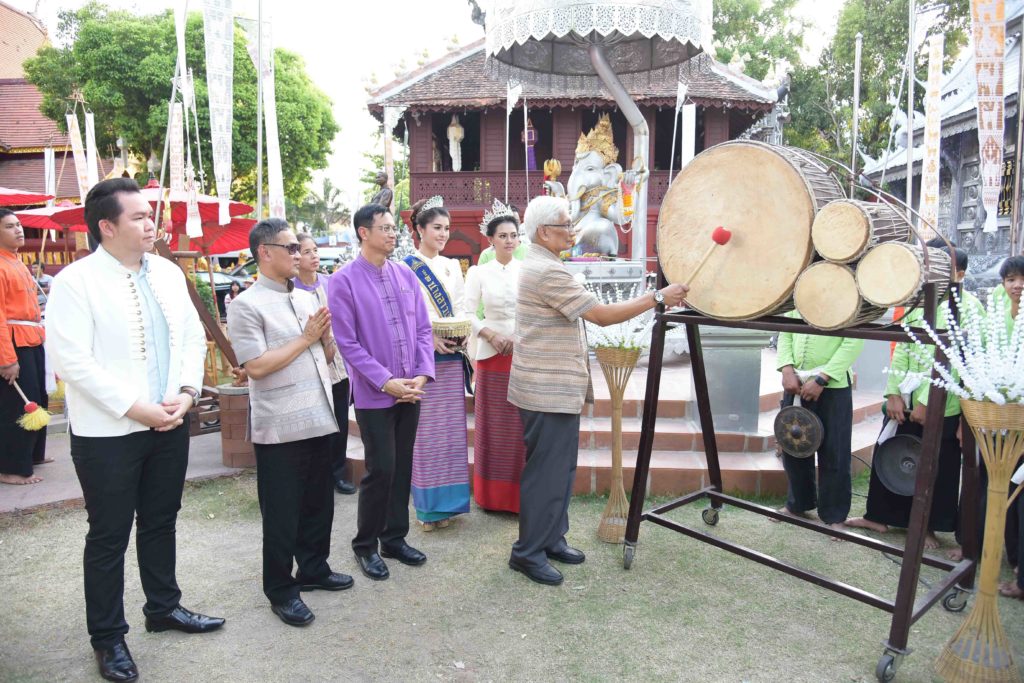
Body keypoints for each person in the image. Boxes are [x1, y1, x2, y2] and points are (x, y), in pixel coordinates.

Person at [46, 178, 224, 683]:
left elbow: (192, 337)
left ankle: (163, 607)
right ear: (107, 226)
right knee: (108, 535)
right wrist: (135, 408)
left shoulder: (167, 272)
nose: (152, 224)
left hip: (170, 419)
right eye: (140, 217)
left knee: (161, 519)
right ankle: (108, 638)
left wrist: (188, 394)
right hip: (107, 432)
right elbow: (72, 361)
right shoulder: (76, 282)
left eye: (152, 215)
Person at [507, 195, 688, 586]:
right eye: (564, 225)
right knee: (546, 473)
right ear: (543, 232)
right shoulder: (545, 270)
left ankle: (551, 538)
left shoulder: (547, 263)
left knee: (561, 470)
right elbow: (602, 316)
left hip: (553, 387)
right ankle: (527, 552)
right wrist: (658, 297)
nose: (572, 231)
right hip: (546, 389)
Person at [226, 218, 353, 627]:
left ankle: (314, 568)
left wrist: (327, 338)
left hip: (319, 414)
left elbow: (324, 357)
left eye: (300, 249)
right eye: (291, 249)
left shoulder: (303, 299)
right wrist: (306, 338)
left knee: (319, 503)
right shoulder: (246, 305)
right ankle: (281, 589)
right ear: (265, 252)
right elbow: (258, 367)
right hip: (279, 426)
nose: (298, 256)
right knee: (282, 512)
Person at [847, 246, 981, 550]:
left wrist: (926, 400)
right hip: (904, 398)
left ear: (959, 273)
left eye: (942, 266)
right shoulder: (918, 299)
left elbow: (956, 361)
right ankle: (878, 516)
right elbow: (903, 346)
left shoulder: (970, 308)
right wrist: (894, 393)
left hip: (942, 403)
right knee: (891, 454)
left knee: (939, 466)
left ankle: (929, 526)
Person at [329, 203, 434, 581]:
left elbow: (423, 329)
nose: (393, 234)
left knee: (403, 464)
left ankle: (395, 537)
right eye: (385, 228)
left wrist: (422, 375)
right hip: (377, 395)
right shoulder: (343, 281)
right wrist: (385, 381)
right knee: (381, 468)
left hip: (412, 390)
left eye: (394, 228)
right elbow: (348, 343)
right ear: (363, 232)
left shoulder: (405, 274)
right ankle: (365, 545)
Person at [404, 197, 471, 530]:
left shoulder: (450, 266)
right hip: (421, 357)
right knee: (426, 433)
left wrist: (463, 335)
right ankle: (427, 509)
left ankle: (449, 506)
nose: (443, 234)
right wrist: (429, 338)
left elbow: (458, 306)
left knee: (450, 432)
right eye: (436, 228)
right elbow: (405, 315)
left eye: (446, 228)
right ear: (419, 229)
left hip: (450, 355)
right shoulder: (405, 267)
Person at [774, 313, 864, 539]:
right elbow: (786, 332)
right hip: (796, 383)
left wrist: (823, 378)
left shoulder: (847, 299)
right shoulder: (799, 296)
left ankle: (834, 515)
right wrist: (786, 369)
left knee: (835, 451)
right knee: (793, 444)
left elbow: (854, 341)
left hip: (831, 387)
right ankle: (798, 504)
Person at [464, 203, 526, 512]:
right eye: (502, 235)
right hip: (490, 355)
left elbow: (533, 311)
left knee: (518, 427)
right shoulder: (478, 273)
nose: (509, 241)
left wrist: (517, 337)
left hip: (521, 353)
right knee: (492, 426)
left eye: (514, 235)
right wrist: (488, 333)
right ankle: (490, 496)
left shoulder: (527, 271)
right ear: (490, 240)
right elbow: (465, 311)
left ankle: (517, 497)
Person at [293, 233, 356, 495]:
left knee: (340, 420)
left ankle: (338, 474)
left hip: (338, 364)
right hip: (310, 364)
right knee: (316, 423)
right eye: (306, 252)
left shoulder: (331, 284)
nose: (313, 256)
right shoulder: (292, 291)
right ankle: (315, 477)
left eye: (315, 250)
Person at [0, 209, 48, 485]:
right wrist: (6, 358)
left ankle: (32, 455)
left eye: (19, 225)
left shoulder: (17, 262)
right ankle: (12, 468)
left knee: (37, 398)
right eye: (10, 226)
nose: (18, 230)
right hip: (13, 342)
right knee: (18, 405)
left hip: (32, 338)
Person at [995, 255, 1024, 600]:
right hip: (1006, 419)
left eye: (1021, 279)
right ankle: (1015, 561)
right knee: (1010, 496)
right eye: (1011, 280)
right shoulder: (998, 317)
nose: (1017, 285)